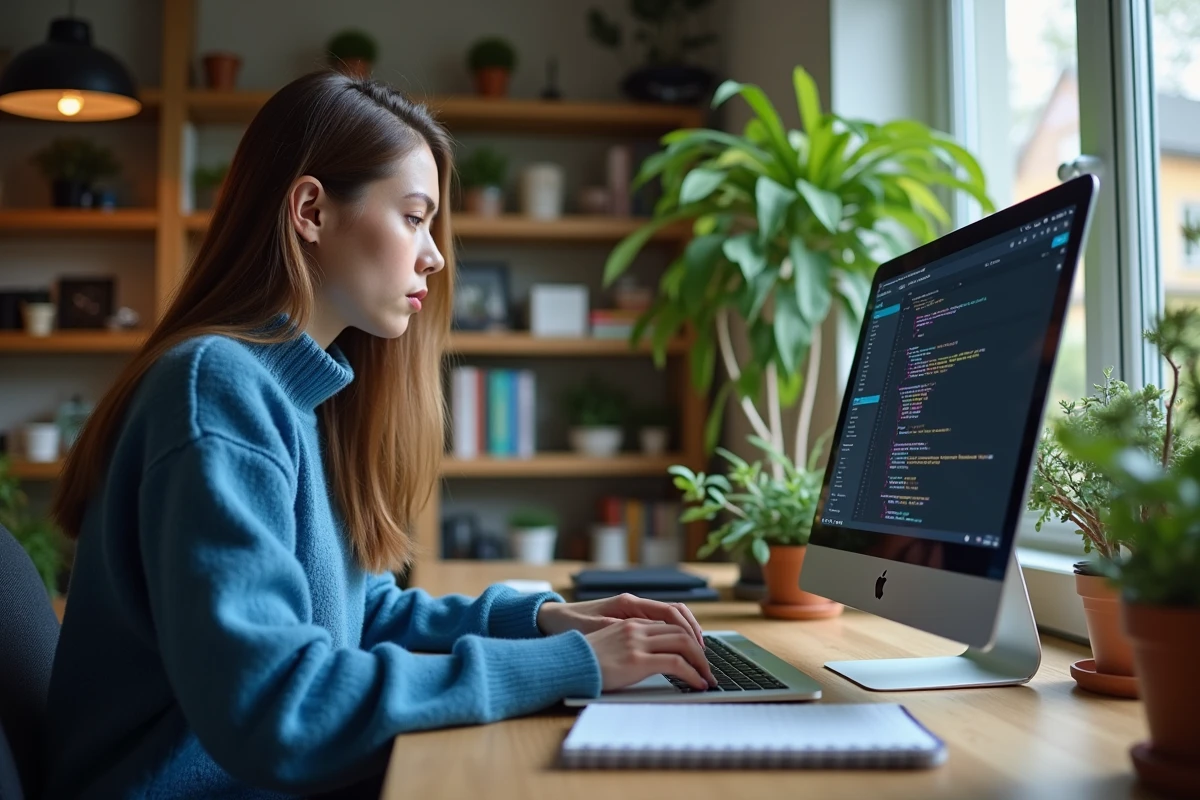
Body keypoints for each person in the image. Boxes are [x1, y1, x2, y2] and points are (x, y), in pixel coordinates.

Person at [43, 71, 716, 799]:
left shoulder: (300, 391)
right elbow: (278, 706)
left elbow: (357, 615)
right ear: (310, 210)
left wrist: (544, 621)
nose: (436, 255)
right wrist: (573, 666)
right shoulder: (217, 386)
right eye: (414, 217)